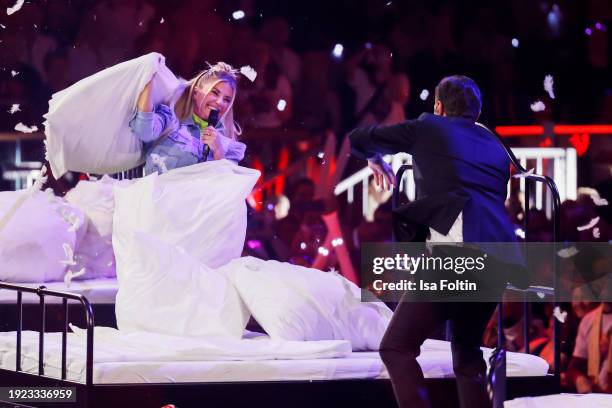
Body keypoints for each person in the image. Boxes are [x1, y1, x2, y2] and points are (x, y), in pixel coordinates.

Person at [348, 75, 520, 408]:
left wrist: (373, 158)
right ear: (477, 112)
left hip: (457, 255)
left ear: (438, 107)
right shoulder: (495, 144)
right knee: (468, 356)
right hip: (500, 258)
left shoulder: (430, 127)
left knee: (396, 347)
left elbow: (360, 137)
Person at [130, 62, 246, 175]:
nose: (219, 102)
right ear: (196, 93)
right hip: (154, 192)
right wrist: (148, 78)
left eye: (226, 100)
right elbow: (143, 131)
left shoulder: (229, 147)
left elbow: (226, 188)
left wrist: (218, 151)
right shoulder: (170, 119)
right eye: (215, 93)